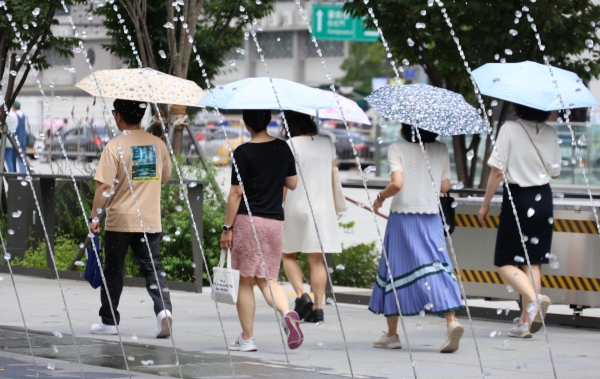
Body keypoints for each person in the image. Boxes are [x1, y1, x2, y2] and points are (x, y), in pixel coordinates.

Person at [370, 124, 465, 353]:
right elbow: (444, 186)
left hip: (402, 218)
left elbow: (397, 184)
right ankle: (451, 321)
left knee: (393, 269)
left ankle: (392, 335)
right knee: (439, 265)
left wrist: (380, 198)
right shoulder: (441, 148)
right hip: (432, 217)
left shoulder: (397, 148)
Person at [88, 99, 174, 338]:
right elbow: (166, 177)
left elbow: (104, 186)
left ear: (119, 116)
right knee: (152, 269)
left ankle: (108, 320)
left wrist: (94, 217)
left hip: (120, 220)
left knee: (114, 270)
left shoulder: (115, 146)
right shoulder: (158, 144)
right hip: (149, 219)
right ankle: (163, 311)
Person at [221, 109, 303, 352]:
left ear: (247, 123)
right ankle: (288, 312)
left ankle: (248, 338)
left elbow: (236, 193)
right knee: (269, 279)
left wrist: (227, 228)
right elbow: (293, 183)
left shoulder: (243, 151)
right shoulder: (283, 147)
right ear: (269, 120)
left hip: (248, 222)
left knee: (246, 283)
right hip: (275, 222)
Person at [478, 104, 559, 338]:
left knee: (504, 262)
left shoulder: (510, 128)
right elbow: (555, 173)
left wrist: (485, 205)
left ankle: (535, 302)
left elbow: (496, 171)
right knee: (532, 261)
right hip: (543, 198)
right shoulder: (551, 132)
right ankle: (525, 322)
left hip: (518, 198)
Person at [281, 111, 342, 323]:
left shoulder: (290, 144)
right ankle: (317, 308)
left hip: (296, 206)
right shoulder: (327, 142)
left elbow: (286, 180)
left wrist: (278, 204)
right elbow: (333, 173)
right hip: (323, 208)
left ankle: (300, 295)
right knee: (316, 260)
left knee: (288, 254)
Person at [8, 101, 27, 173]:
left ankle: (14, 175)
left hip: (16, 138)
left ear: (13, 107)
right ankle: (24, 174)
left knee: (13, 158)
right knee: (22, 157)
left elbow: (13, 127)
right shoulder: (24, 114)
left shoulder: (13, 115)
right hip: (23, 138)